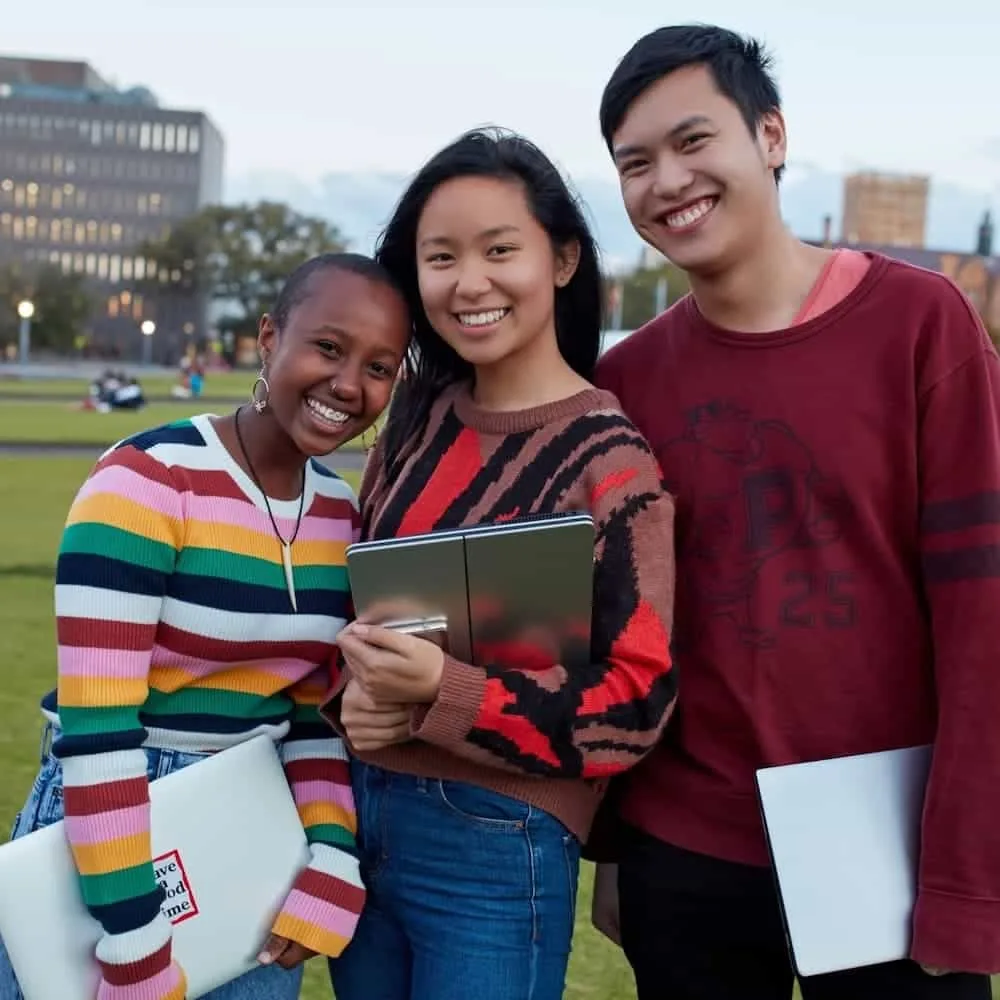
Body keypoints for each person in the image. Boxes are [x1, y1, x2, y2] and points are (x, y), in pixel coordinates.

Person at [590, 22, 1000, 1000]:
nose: (667, 181)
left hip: (886, 845)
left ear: (770, 137)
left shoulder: (918, 321)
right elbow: (618, 635)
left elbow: (981, 611)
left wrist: (966, 875)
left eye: (694, 142)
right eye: (634, 162)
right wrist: (616, 848)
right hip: (687, 850)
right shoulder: (626, 379)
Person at [323, 127, 678, 1000]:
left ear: (561, 260)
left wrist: (439, 694)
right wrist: (357, 702)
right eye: (439, 256)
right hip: (360, 824)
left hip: (501, 844)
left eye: (500, 250)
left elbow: (634, 703)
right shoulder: (412, 423)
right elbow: (354, 609)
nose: (467, 282)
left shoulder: (611, 460)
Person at [0, 252, 411, 1000]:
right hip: (108, 836)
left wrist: (330, 857)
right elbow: (98, 733)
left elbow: (310, 714)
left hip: (248, 835)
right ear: (267, 338)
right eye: (327, 347)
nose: (350, 385)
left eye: (380, 367)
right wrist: (133, 937)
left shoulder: (343, 516)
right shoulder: (147, 479)